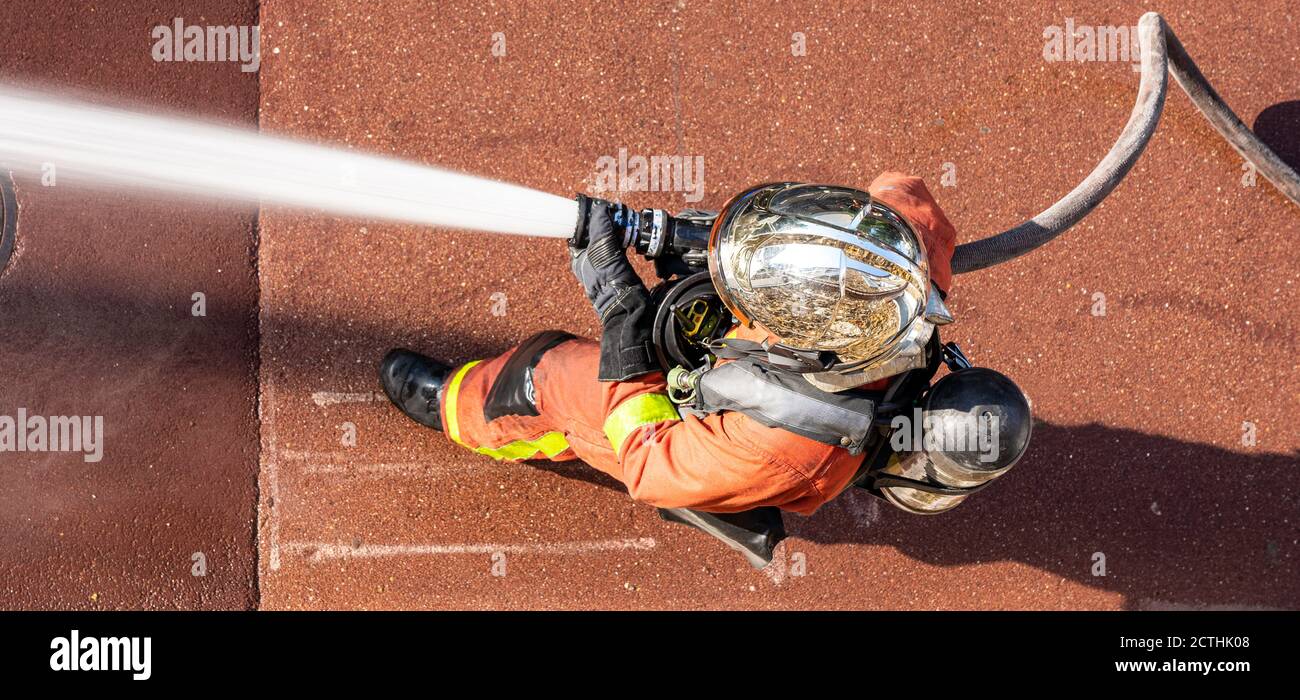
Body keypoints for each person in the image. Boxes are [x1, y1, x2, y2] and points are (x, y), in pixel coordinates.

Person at [378, 172, 1002, 520]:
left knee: (555, 371)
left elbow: (653, 466)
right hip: (774, 366)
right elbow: (904, 199)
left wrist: (622, 317)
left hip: (708, 443)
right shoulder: (892, 270)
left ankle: (460, 409)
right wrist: (692, 237)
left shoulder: (787, 447)